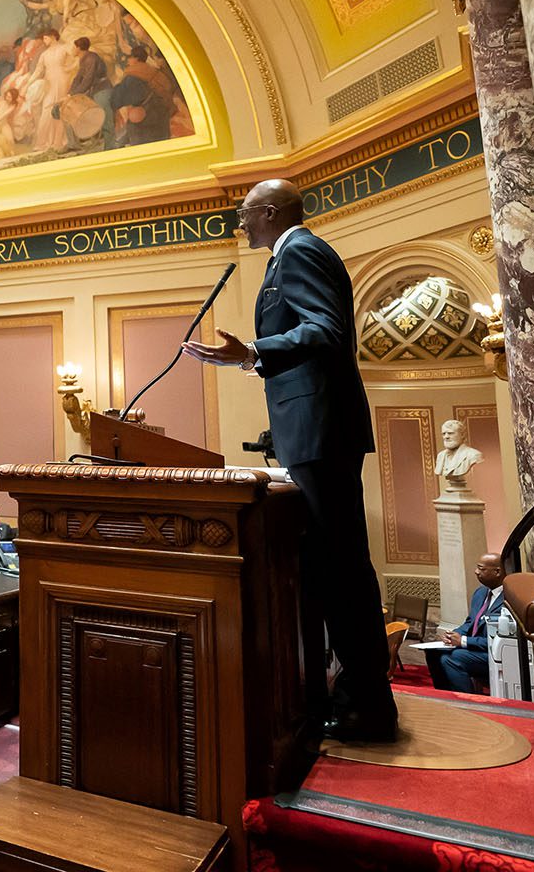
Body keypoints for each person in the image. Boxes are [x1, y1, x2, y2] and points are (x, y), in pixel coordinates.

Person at [182, 177, 396, 742]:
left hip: (321, 430)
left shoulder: (300, 250)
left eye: (246, 211)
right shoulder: (287, 257)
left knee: (343, 566)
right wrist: (251, 361)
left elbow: (326, 330)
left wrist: (255, 350)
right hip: (312, 430)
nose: (240, 221)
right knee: (333, 565)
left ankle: (367, 703)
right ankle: (354, 695)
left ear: (271, 211)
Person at [427, 553, 508, 694]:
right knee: (433, 653)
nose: (476, 572)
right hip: (474, 648)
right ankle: (444, 695)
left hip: (493, 652)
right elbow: (470, 622)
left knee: (453, 658)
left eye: (481, 569)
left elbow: (500, 638)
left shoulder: (508, 599)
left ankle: (469, 701)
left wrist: (464, 641)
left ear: (497, 572)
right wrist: (455, 634)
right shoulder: (481, 593)